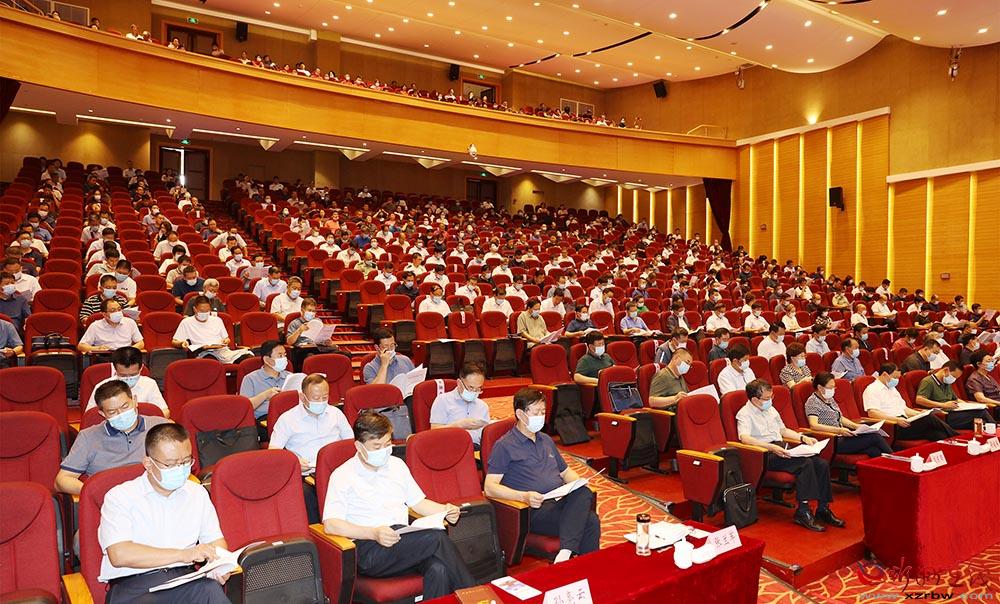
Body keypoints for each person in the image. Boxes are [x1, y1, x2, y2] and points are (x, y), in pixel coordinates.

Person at [322, 412, 475, 599]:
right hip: (369, 547)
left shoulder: (397, 465)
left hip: (403, 540)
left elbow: (418, 503)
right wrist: (373, 533)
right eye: (377, 446)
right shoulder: (342, 475)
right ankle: (474, 597)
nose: (384, 450)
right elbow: (331, 524)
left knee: (439, 569)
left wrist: (445, 510)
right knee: (436, 538)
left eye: (387, 444)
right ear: (359, 446)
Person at [97, 423, 230, 601]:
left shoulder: (197, 493)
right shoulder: (120, 497)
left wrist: (218, 563)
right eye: (170, 464)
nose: (180, 469)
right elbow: (119, 554)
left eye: (185, 462)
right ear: (148, 463)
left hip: (186, 579)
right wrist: (184, 555)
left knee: (210, 590)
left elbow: (215, 541)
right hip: (135, 586)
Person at [484, 388, 601, 563]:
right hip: (533, 510)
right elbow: (489, 488)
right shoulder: (504, 445)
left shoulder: (545, 440)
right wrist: (524, 496)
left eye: (543, 412)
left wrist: (579, 482)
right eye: (536, 412)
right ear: (520, 414)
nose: (541, 416)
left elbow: (566, 472)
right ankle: (573, 559)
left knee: (583, 491)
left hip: (558, 501)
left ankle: (568, 555)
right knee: (590, 521)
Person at [737, 380, 842, 532]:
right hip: (764, 453)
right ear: (754, 399)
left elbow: (783, 430)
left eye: (771, 397)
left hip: (781, 447)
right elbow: (745, 438)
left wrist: (802, 437)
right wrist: (770, 447)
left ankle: (823, 508)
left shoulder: (771, 409)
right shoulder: (744, 413)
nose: (770, 401)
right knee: (804, 464)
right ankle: (803, 511)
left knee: (821, 464)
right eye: (767, 398)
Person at [58, 379, 171, 495]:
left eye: (125, 406)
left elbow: (180, 462)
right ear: (102, 414)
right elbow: (62, 480)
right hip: (110, 499)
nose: (121, 414)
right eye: (112, 412)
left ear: (135, 401)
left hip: (158, 495)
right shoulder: (88, 437)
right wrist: (95, 493)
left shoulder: (162, 427)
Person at [270, 373, 353, 523]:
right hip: (307, 474)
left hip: (337, 471)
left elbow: (350, 443)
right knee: (305, 497)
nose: (321, 402)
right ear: (302, 397)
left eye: (324, 397)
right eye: (316, 398)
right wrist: (294, 460)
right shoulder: (287, 419)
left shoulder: (336, 414)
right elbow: (274, 451)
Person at [805, 372, 892, 457]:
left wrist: (857, 427)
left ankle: (886, 464)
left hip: (842, 436)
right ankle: (895, 460)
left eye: (834, 387)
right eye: (830, 387)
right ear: (820, 387)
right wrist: (839, 430)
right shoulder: (812, 402)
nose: (833, 390)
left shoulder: (829, 399)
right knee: (875, 437)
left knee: (874, 451)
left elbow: (840, 417)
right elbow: (814, 425)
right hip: (831, 440)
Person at [863, 364, 956, 441]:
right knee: (929, 418)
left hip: (905, 421)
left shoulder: (892, 388)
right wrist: (896, 420)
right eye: (895, 377)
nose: (897, 380)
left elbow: (904, 409)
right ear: (884, 374)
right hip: (892, 426)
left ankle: (956, 447)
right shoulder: (872, 389)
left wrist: (919, 414)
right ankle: (957, 436)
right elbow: (873, 413)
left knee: (938, 434)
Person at [84, 346, 168, 416]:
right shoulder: (102, 387)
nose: (128, 378)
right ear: (115, 369)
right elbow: (90, 416)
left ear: (141, 368)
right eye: (123, 375)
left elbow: (164, 412)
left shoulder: (149, 384)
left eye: (133, 375)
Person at [172, 296, 252, 364]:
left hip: (222, 351)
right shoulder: (187, 322)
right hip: (203, 352)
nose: (204, 313)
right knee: (212, 362)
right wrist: (182, 343)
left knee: (249, 358)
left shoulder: (217, 320)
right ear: (194, 309)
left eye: (207, 311)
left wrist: (226, 341)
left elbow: (226, 338)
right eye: (202, 311)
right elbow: (174, 341)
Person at [915, 361, 993, 430]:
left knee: (981, 420)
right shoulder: (928, 381)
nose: (954, 379)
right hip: (943, 415)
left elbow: (956, 399)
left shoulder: (946, 382)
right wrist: (943, 405)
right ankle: (996, 430)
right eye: (954, 377)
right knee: (981, 413)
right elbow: (919, 400)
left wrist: (971, 406)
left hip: (954, 412)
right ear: (946, 370)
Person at [429, 362, 490, 446]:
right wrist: (458, 425)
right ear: (459, 383)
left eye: (478, 388)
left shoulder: (482, 406)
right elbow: (434, 433)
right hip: (449, 447)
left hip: (475, 448)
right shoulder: (443, 400)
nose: (474, 392)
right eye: (471, 387)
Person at [239, 340, 290, 422]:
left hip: (289, 417)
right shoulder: (250, 379)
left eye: (285, 355)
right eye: (280, 355)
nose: (284, 359)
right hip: (264, 418)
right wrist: (265, 395)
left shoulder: (290, 376)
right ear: (266, 359)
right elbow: (244, 407)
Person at [78, 298, 144, 354]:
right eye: (113, 310)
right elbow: (81, 346)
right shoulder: (95, 326)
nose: (117, 312)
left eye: (119, 309)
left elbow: (141, 343)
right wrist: (97, 348)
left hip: (126, 357)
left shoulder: (130, 322)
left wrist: (129, 350)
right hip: (105, 357)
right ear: (104, 314)